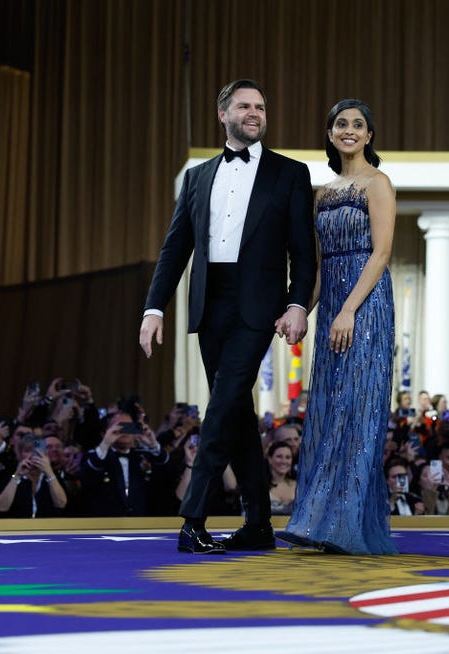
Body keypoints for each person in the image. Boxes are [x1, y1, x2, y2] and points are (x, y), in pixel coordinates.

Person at [138, 79, 316, 554]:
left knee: (219, 408)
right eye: (245, 105)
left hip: (258, 306)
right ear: (224, 114)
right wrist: (155, 308)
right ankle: (258, 522)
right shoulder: (197, 176)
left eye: (261, 105)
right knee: (235, 412)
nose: (255, 112)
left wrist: (298, 304)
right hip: (209, 302)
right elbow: (175, 247)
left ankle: (192, 518)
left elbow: (303, 249)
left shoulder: (290, 173)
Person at [277, 98, 396, 555]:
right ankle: (316, 520)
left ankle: (344, 525)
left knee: (357, 410)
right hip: (332, 312)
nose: (349, 130)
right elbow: (322, 263)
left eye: (358, 124)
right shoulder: (322, 193)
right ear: (329, 134)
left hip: (365, 310)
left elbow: (381, 254)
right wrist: (301, 309)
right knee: (328, 411)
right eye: (340, 124)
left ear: (369, 135)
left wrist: (348, 310)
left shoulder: (378, 183)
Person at [266, 441, 296, 515]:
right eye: (279, 456)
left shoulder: (299, 486)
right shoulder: (258, 487)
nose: (284, 461)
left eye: (288, 457)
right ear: (270, 459)